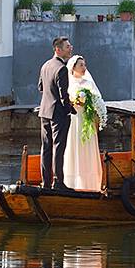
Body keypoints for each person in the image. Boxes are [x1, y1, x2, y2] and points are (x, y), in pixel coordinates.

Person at [38, 36, 77, 190]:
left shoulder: (45, 65)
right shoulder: (61, 69)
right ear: (58, 50)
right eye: (68, 47)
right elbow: (64, 96)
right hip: (58, 114)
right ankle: (58, 182)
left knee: (46, 147)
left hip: (44, 112)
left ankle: (46, 183)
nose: (71, 48)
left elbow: (41, 87)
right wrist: (71, 110)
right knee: (58, 147)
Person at [63, 55, 105, 191]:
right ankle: (72, 181)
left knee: (87, 146)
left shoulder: (89, 83)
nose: (84, 67)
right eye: (81, 65)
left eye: (84, 64)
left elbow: (97, 99)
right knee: (74, 145)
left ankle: (90, 182)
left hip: (87, 119)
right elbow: (65, 100)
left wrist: (92, 107)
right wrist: (74, 102)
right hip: (74, 119)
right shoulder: (68, 83)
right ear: (73, 67)